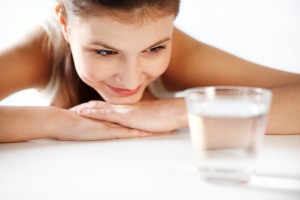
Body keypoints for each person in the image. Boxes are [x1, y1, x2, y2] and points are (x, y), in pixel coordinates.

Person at [0, 0, 300, 143]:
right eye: (105, 52)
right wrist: (57, 122)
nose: (131, 80)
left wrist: (180, 112)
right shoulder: (42, 51)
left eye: (155, 49)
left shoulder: (183, 53)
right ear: (65, 26)